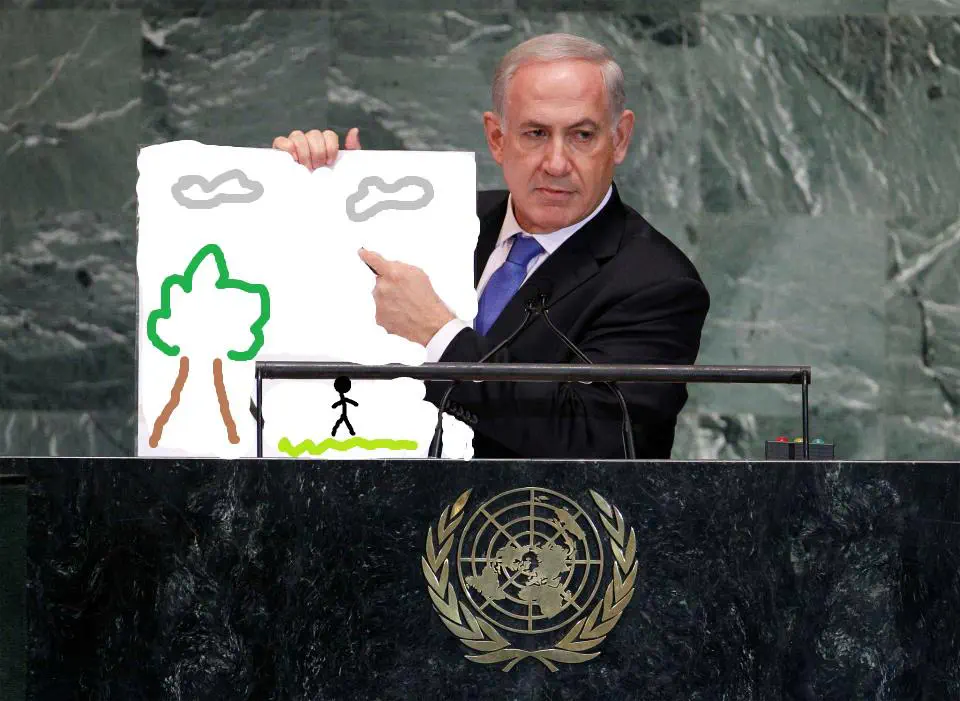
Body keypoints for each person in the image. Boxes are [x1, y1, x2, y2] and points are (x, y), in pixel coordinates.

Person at [272, 33, 709, 459]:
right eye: (535, 133)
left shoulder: (658, 283)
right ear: (497, 138)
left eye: (582, 135)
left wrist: (441, 335)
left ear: (619, 138)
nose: (557, 163)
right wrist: (328, 194)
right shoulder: (443, 220)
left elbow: (597, 438)